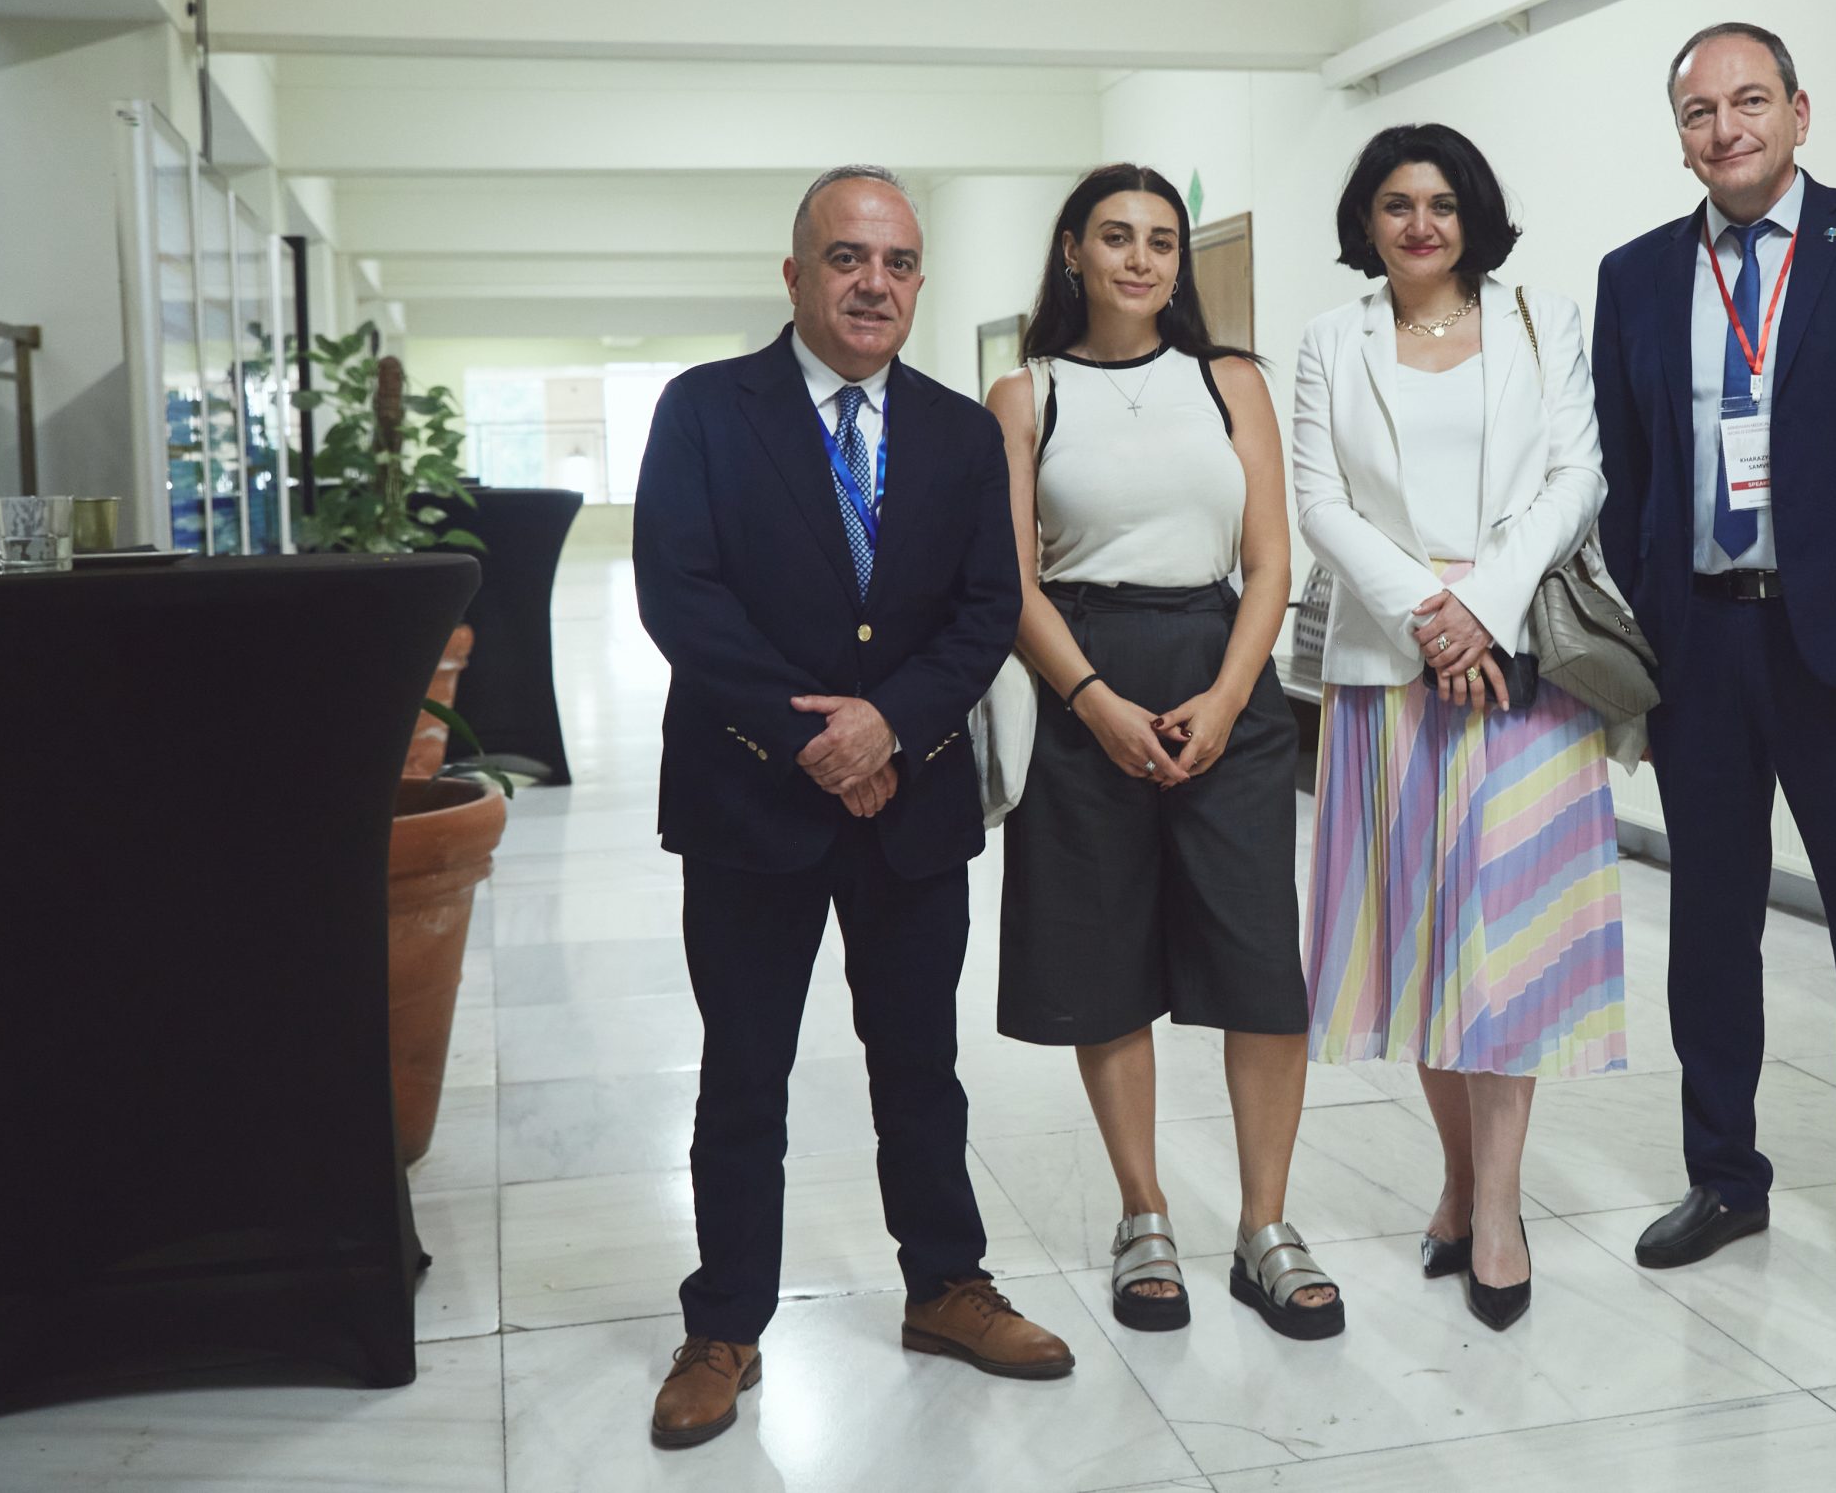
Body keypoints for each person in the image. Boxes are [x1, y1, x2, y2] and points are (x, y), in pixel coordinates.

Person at [633, 165, 1073, 1450]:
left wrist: (894, 724)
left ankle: (945, 1286)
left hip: (912, 803)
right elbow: (679, 594)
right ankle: (724, 1325)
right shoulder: (706, 411)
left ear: (918, 282)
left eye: (897, 262)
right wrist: (811, 738)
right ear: (795, 274)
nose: (873, 283)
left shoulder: (959, 432)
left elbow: (987, 607)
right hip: (747, 803)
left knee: (920, 1066)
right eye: (846, 258)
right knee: (743, 1074)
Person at [1589, 24, 1836, 1315]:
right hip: (1701, 649)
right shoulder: (1635, 275)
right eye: (1699, 111)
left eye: (1750, 100)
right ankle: (1725, 1178)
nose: (1727, 128)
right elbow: (1625, 481)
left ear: (1799, 113)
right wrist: (1640, 651)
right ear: (1680, 136)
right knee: (1709, 931)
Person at [987, 164, 1344, 1341]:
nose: (1140, 259)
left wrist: (1229, 697)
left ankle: (1265, 1227)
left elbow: (1272, 560)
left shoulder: (1228, 380)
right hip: (1081, 683)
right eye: (1115, 236)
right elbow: (1012, 583)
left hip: (1220, 673)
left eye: (1160, 240)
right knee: (1104, 964)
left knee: (1260, 963)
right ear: (1073, 252)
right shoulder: (1025, 394)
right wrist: (1094, 702)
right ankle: (1142, 1213)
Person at [1293, 123, 1629, 1332]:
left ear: (1473, 214)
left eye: (1441, 203)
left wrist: (1480, 609)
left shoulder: (1541, 322)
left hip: (1521, 663)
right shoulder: (1330, 341)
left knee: (1510, 946)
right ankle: (1456, 1177)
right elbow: (1318, 500)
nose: (1421, 224)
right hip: (1389, 675)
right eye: (1396, 204)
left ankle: (1498, 1208)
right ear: (1367, 222)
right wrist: (1426, 617)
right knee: (1425, 943)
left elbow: (1577, 479)